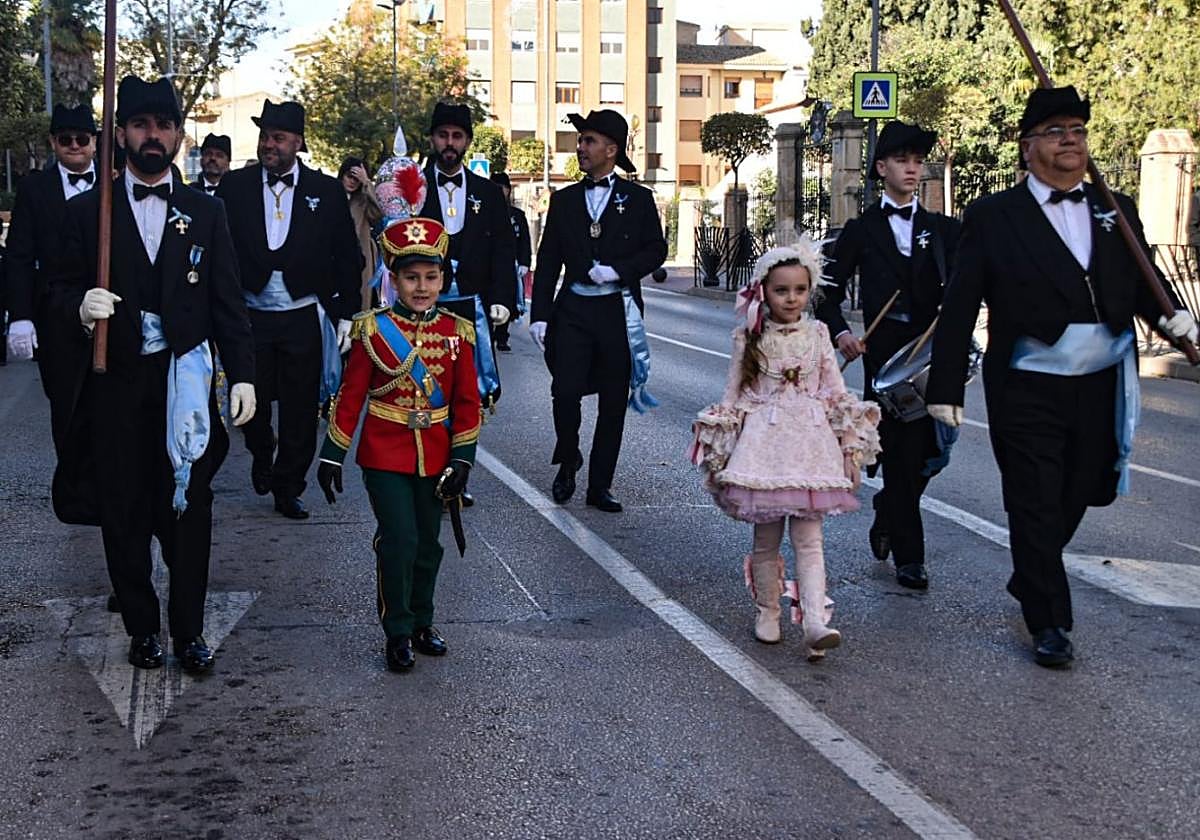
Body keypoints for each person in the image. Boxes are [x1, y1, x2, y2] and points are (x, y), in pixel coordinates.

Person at [926, 86, 1197, 668]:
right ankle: (1048, 619)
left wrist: (1175, 321)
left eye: (1077, 129)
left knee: (1088, 488)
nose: (1071, 139)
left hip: (1103, 380)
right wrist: (945, 389)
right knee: (1035, 500)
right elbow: (958, 305)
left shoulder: (1115, 208)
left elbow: (1143, 283)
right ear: (1028, 150)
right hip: (1028, 382)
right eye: (1056, 131)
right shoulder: (994, 217)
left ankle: (1032, 571)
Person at [48, 75, 257, 673]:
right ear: (120, 134)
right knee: (123, 510)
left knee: (189, 510)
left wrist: (242, 374)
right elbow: (56, 286)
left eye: (163, 127)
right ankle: (143, 628)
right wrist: (76, 307)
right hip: (116, 384)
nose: (152, 137)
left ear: (179, 136)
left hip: (183, 384)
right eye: (140, 126)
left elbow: (227, 302)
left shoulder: (206, 212)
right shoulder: (90, 211)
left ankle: (189, 629)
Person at [691, 243, 880, 660]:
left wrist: (849, 448)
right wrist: (720, 445)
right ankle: (768, 610)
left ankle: (815, 620)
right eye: (781, 291)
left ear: (809, 291)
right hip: (764, 448)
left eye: (798, 290)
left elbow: (835, 394)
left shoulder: (818, 334)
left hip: (811, 448)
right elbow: (734, 395)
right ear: (764, 291)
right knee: (767, 536)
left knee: (810, 539)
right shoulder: (749, 337)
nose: (790, 299)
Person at [316, 216, 481, 673]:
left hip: (438, 456)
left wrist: (462, 459)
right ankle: (398, 630)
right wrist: (333, 453)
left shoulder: (457, 332)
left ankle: (424, 620)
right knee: (400, 540)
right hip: (384, 453)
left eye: (431, 277)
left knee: (429, 543)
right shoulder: (372, 331)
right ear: (393, 280)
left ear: (443, 279)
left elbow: (467, 404)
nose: (422, 287)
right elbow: (350, 400)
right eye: (411, 278)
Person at [816, 120, 961, 591]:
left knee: (929, 457)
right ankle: (910, 558)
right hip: (884, 363)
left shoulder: (943, 231)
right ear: (882, 168)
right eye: (903, 161)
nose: (913, 169)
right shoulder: (862, 230)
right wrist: (841, 336)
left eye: (918, 162)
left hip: (931, 360)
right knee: (899, 456)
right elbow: (826, 294)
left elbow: (965, 289)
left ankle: (888, 513)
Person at [216, 99, 363, 520]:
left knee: (300, 407)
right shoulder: (235, 187)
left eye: (278, 138)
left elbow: (346, 257)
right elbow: (220, 251)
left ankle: (288, 486)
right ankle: (262, 452)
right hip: (251, 315)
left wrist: (346, 313)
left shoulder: (326, 190)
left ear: (297, 142)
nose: (269, 145)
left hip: (303, 314)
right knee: (252, 402)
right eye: (265, 137)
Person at [529, 109, 667, 513]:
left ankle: (600, 485)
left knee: (611, 400)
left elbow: (655, 249)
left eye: (589, 141)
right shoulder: (565, 200)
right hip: (573, 310)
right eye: (581, 140)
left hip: (617, 313)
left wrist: (620, 270)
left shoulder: (638, 199)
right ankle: (568, 455)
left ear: (612, 149)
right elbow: (548, 258)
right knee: (565, 390)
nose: (581, 148)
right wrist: (539, 315)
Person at [4, 103, 99, 449]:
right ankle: (73, 498)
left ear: (94, 141)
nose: (74, 145)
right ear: (53, 143)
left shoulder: (115, 183)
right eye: (65, 139)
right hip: (55, 315)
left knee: (114, 413)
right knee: (66, 412)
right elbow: (19, 256)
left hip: (110, 314)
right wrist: (21, 316)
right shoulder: (34, 189)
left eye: (81, 138)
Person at [416, 102, 516, 337]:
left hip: (476, 306)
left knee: (475, 374)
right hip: (422, 309)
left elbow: (503, 248)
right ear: (432, 139)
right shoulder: (414, 189)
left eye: (457, 136)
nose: (450, 143)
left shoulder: (489, 192)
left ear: (468, 141)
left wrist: (502, 297)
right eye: (443, 135)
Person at [489, 171, 532, 352]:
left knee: (507, 300)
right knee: (488, 300)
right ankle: (488, 335)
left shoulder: (517, 215)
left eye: (503, 188)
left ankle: (502, 337)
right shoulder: (484, 213)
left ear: (509, 190)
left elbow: (524, 240)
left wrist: (524, 262)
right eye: (496, 188)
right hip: (488, 264)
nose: (500, 192)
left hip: (510, 265)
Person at [339, 155, 383, 311]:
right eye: (349, 177)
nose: (352, 182)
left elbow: (378, 215)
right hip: (335, 256)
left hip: (360, 257)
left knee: (361, 300)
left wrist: (366, 183)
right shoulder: (332, 196)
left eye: (356, 179)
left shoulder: (363, 200)